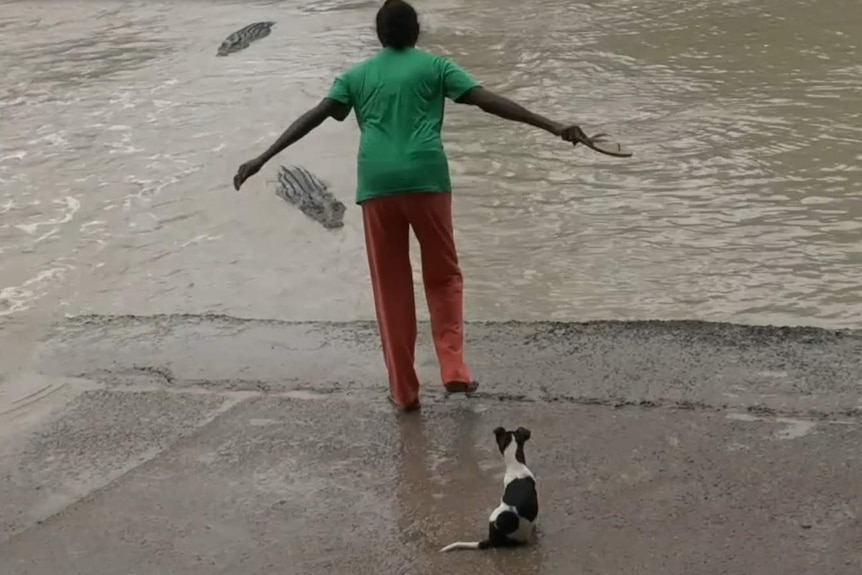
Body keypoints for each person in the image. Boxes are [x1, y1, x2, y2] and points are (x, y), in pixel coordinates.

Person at [233, 0, 594, 412]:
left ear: (379, 35)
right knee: (443, 276)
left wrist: (262, 157)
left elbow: (313, 116)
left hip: (377, 186)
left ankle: (404, 392)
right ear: (416, 32)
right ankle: (454, 370)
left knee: (391, 289)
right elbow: (487, 100)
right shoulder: (436, 68)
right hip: (427, 181)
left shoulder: (357, 75)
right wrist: (553, 126)